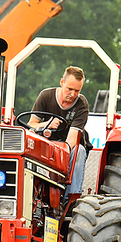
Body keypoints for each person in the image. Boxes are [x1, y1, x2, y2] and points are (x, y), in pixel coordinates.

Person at [27, 66, 89, 197]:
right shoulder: (46, 96)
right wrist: (47, 124)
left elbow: (71, 141)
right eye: (69, 89)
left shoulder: (81, 104)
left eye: (77, 91)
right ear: (62, 83)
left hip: (66, 147)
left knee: (79, 151)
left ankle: (71, 199)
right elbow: (31, 124)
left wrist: (55, 155)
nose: (73, 94)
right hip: (45, 141)